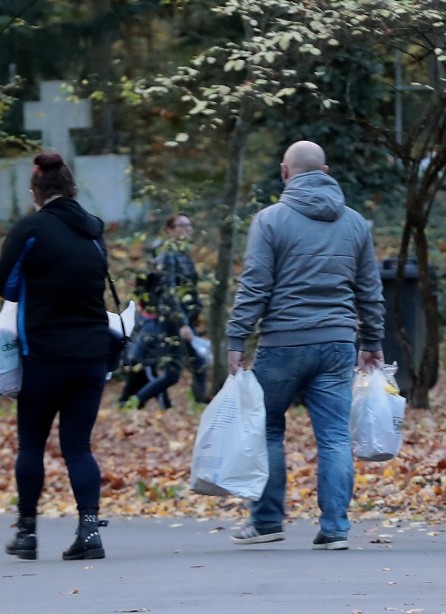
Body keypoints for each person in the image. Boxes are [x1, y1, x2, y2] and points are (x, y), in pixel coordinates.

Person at [226, 140, 385, 551]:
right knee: (333, 436)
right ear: (326, 170)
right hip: (337, 342)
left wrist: (237, 337)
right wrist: (372, 341)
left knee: (267, 428)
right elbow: (370, 289)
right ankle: (335, 528)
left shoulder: (270, 220)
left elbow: (255, 284)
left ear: (284, 172)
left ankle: (265, 522)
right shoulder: (355, 224)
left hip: (282, 344)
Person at [0, 152, 110, 561]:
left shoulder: (31, 228)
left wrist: (34, 288)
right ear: (72, 188)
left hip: (43, 355)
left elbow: (2, 284)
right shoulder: (94, 231)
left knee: (32, 444)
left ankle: (26, 534)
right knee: (78, 445)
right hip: (93, 355)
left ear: (35, 193)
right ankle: (90, 533)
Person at [119, 212, 206, 409]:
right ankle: (134, 401)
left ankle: (200, 406)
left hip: (184, 318)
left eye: (189, 226)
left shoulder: (185, 255)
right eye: (181, 225)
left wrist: (194, 312)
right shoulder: (167, 257)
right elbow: (169, 293)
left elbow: (189, 290)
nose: (187, 230)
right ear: (170, 230)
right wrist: (183, 323)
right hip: (173, 320)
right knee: (173, 373)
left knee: (198, 363)